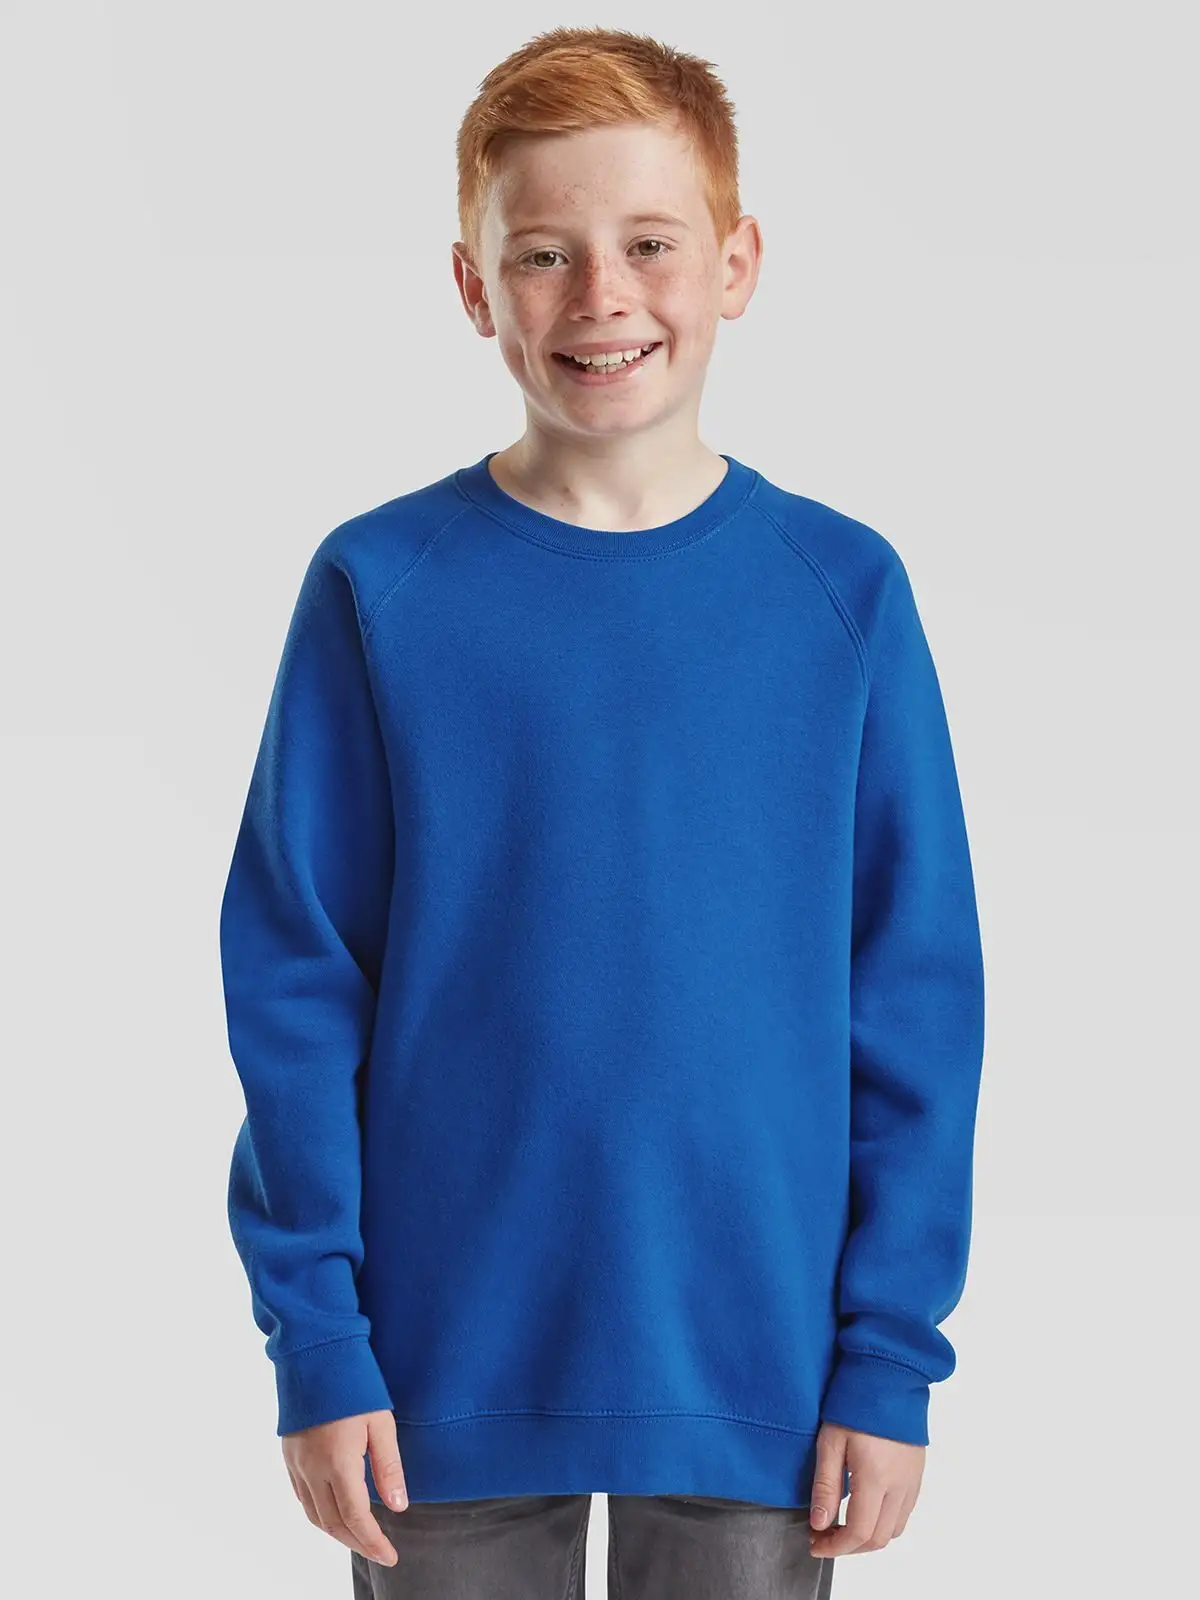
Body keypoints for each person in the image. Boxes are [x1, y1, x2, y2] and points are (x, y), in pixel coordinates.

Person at [218, 24, 986, 1600]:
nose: (600, 297)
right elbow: (295, 984)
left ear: (736, 262)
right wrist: (319, 1342)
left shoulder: (840, 593)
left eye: (649, 244)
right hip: (435, 1369)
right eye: (543, 255)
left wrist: (888, 1357)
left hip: (758, 1363)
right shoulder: (381, 587)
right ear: (473, 287)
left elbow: (915, 999)